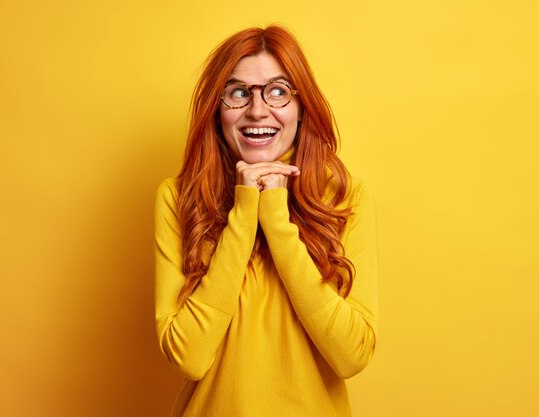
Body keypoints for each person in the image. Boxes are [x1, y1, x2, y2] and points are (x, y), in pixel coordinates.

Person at [154, 25, 378, 417]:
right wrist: (244, 212)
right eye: (239, 92)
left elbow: (352, 355)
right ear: (217, 108)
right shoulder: (179, 198)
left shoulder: (345, 199)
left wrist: (275, 214)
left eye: (277, 90)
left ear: (302, 106)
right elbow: (187, 356)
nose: (258, 110)